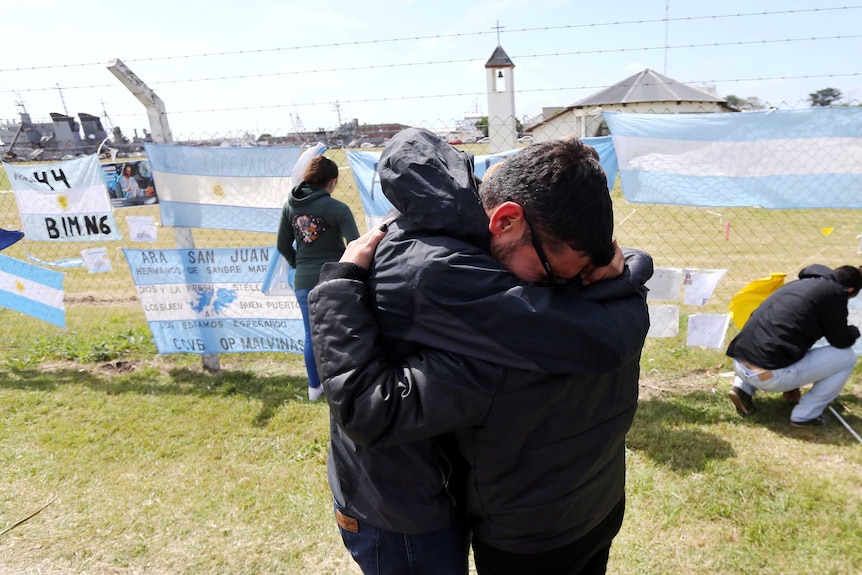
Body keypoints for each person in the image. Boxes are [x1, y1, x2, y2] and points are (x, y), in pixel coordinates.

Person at [309, 129, 652, 574]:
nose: (562, 290)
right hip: (399, 508)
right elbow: (368, 406)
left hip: (450, 499)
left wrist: (618, 272)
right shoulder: (440, 274)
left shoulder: (470, 236)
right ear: (506, 220)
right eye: (552, 275)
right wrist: (338, 287)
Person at [726, 264, 862, 427]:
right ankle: (806, 416)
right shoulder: (834, 293)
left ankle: (743, 388)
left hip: (739, 363)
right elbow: (840, 341)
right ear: (850, 290)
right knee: (846, 357)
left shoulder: (799, 284)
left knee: (770, 341)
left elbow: (792, 337)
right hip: (768, 376)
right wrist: (854, 331)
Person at [276, 155, 359, 401]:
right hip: (332, 279)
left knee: (311, 335)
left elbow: (283, 245)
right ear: (332, 182)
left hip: (302, 281)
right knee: (341, 332)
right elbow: (354, 244)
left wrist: (299, 265)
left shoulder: (290, 207)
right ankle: (344, 382)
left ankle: (314, 388)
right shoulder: (338, 209)